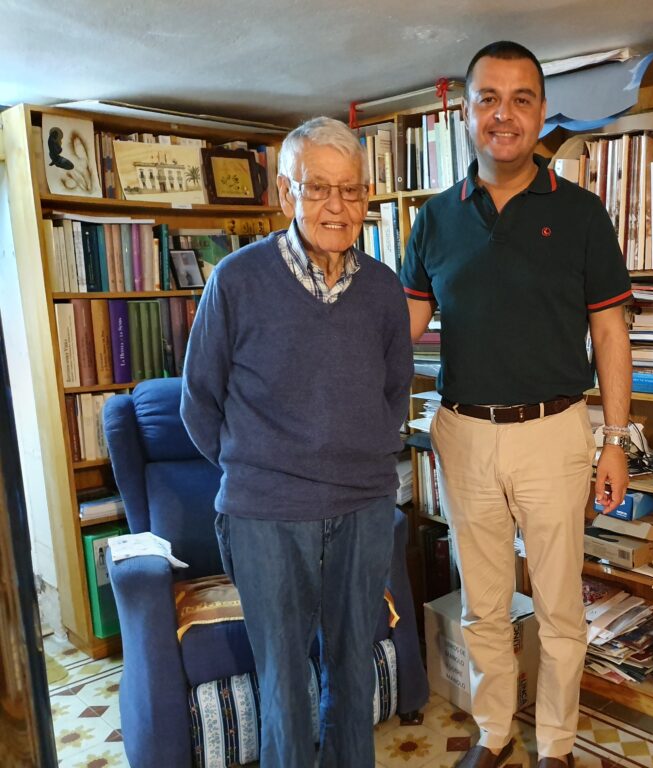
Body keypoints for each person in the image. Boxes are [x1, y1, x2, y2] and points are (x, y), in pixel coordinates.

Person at [401, 41, 632, 768]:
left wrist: (616, 441)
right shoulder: (434, 219)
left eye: (521, 99)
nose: (504, 114)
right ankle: (495, 734)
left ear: (540, 113)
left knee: (560, 606)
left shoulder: (582, 213)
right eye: (488, 99)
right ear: (466, 113)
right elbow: (401, 331)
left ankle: (557, 744)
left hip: (553, 432)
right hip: (463, 434)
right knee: (484, 605)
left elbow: (610, 332)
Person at [181, 116, 412, 768]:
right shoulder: (236, 280)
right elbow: (199, 402)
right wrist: (259, 468)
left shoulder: (383, 288)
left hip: (363, 507)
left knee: (354, 668)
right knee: (283, 681)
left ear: (365, 196)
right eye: (317, 188)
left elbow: (394, 391)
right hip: (266, 515)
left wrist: (359, 454)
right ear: (286, 193)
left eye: (351, 189)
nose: (336, 205)